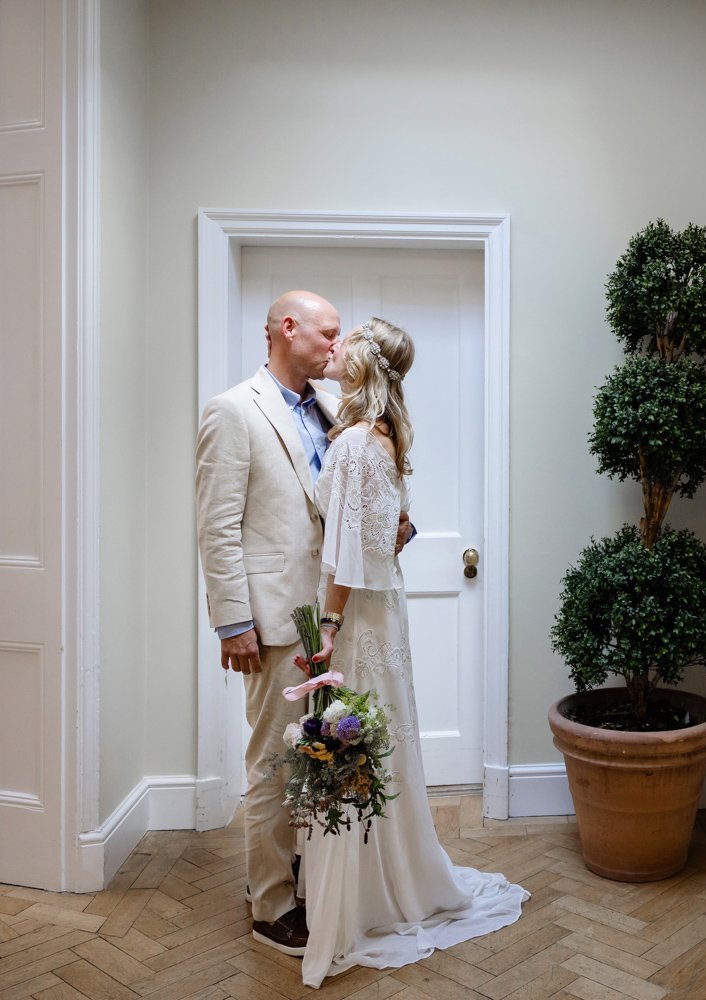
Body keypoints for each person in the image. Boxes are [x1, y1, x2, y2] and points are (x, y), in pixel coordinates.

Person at [298, 317, 527, 987]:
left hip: (356, 619)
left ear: (364, 366)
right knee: (377, 745)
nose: (333, 348)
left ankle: (366, 899)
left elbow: (347, 553)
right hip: (380, 613)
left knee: (352, 744)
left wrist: (327, 628)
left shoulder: (354, 447)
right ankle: (380, 875)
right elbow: (390, 529)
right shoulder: (382, 438)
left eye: (345, 343)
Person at [195, 291, 343, 956]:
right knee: (274, 763)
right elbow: (217, 526)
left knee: (318, 755)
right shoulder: (233, 410)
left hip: (324, 620)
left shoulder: (330, 411)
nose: (336, 348)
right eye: (328, 334)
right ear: (289, 328)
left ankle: (299, 878)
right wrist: (233, 623)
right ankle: (270, 906)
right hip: (273, 618)